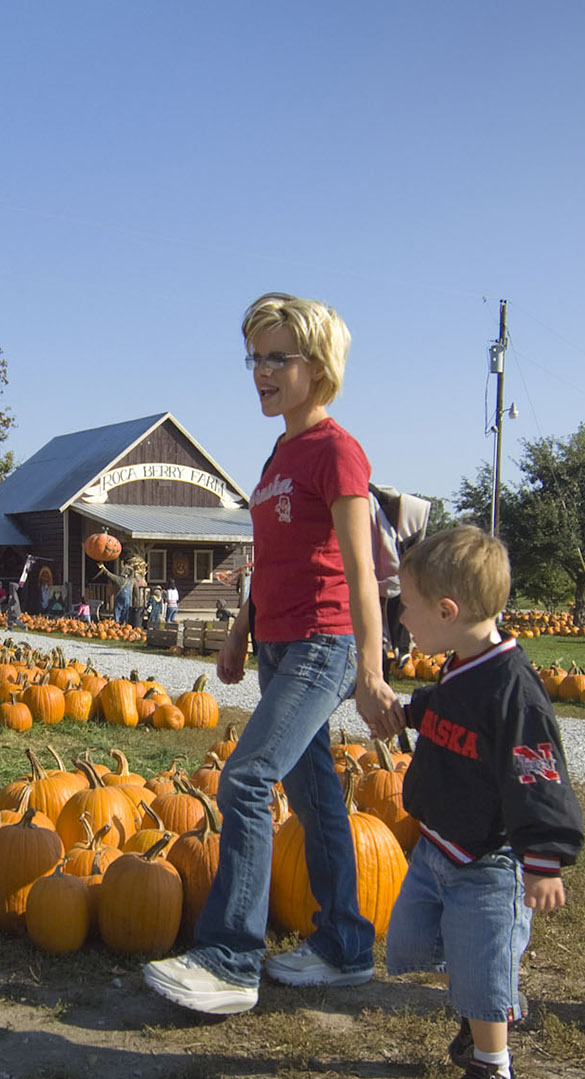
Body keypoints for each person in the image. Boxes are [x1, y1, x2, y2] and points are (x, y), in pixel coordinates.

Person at [142, 292, 400, 1015]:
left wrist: (372, 673)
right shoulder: (282, 451)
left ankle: (229, 960)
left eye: (275, 357)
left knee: (248, 780)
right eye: (253, 357)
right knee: (317, 799)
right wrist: (240, 625)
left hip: (325, 643)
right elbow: (273, 552)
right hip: (281, 646)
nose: (259, 371)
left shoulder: (337, 450)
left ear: (316, 367)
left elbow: (360, 570)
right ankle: (346, 946)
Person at [385, 526, 584, 1079]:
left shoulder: (513, 693)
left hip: (490, 860)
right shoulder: (461, 665)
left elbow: (538, 776)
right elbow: (447, 712)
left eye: (408, 605)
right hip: (439, 844)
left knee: (484, 958)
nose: (402, 614)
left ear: (447, 612)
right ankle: (482, 1011)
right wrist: (410, 711)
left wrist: (545, 857)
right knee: (412, 943)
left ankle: (493, 1069)